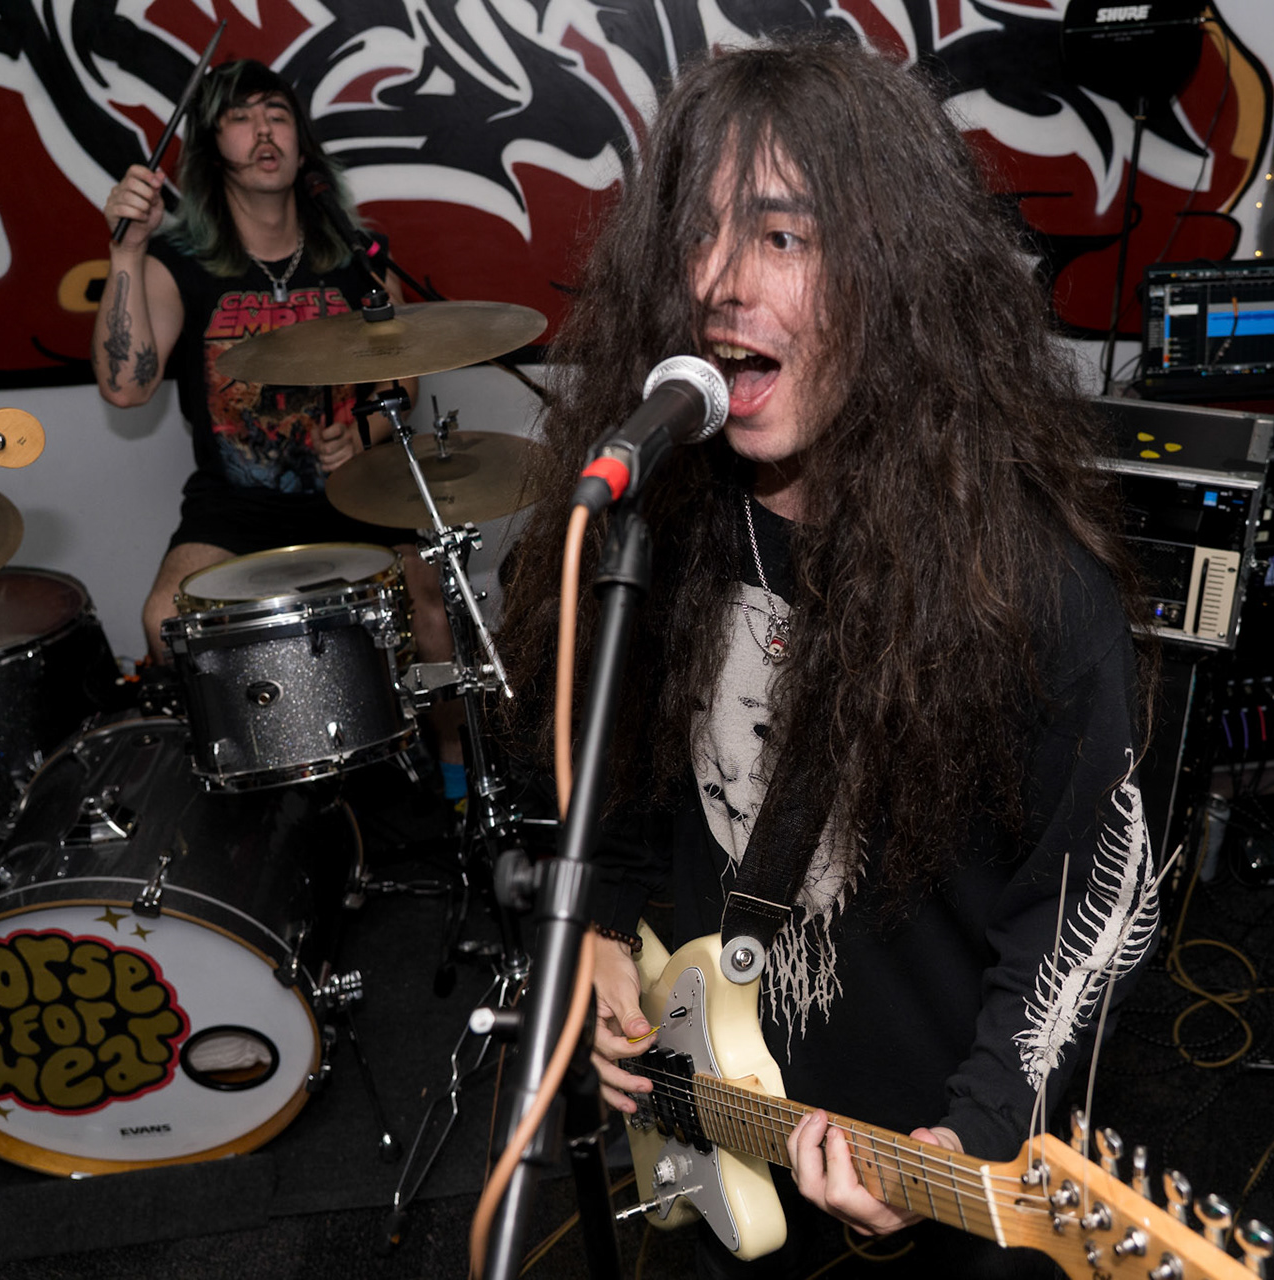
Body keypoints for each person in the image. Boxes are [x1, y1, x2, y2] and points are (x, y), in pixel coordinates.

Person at [493, 33, 1162, 1277]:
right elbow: (605, 777)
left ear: (896, 276)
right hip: (717, 1143)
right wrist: (598, 932)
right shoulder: (662, 526)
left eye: (783, 236)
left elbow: (1085, 912)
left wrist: (970, 1135)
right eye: (700, 235)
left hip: (923, 1170)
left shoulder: (1030, 591)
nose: (721, 281)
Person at [90, 59, 464, 784]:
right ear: (211, 149)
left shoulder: (353, 253)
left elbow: (402, 377)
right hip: (239, 504)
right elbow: (125, 388)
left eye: (278, 114)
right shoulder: (177, 263)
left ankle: (454, 786)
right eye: (240, 116)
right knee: (164, 618)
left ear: (302, 142)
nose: (263, 131)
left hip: (357, 491)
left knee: (433, 607)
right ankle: (242, 789)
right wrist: (127, 251)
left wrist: (362, 434)